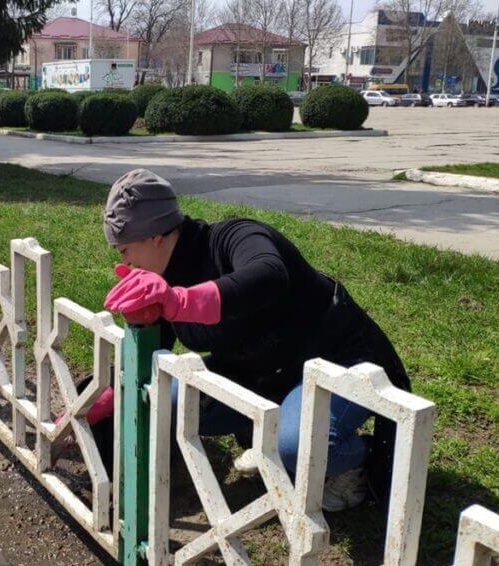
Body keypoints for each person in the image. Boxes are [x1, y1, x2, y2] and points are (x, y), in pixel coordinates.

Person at [95, 169, 411, 512]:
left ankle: (357, 461)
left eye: (124, 249)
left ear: (155, 235)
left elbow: (269, 274)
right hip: (260, 373)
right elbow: (155, 354)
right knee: (161, 398)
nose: (122, 261)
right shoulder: (165, 277)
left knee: (298, 445)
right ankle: (268, 436)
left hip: (332, 359)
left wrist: (181, 301)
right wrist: (107, 392)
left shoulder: (235, 235)